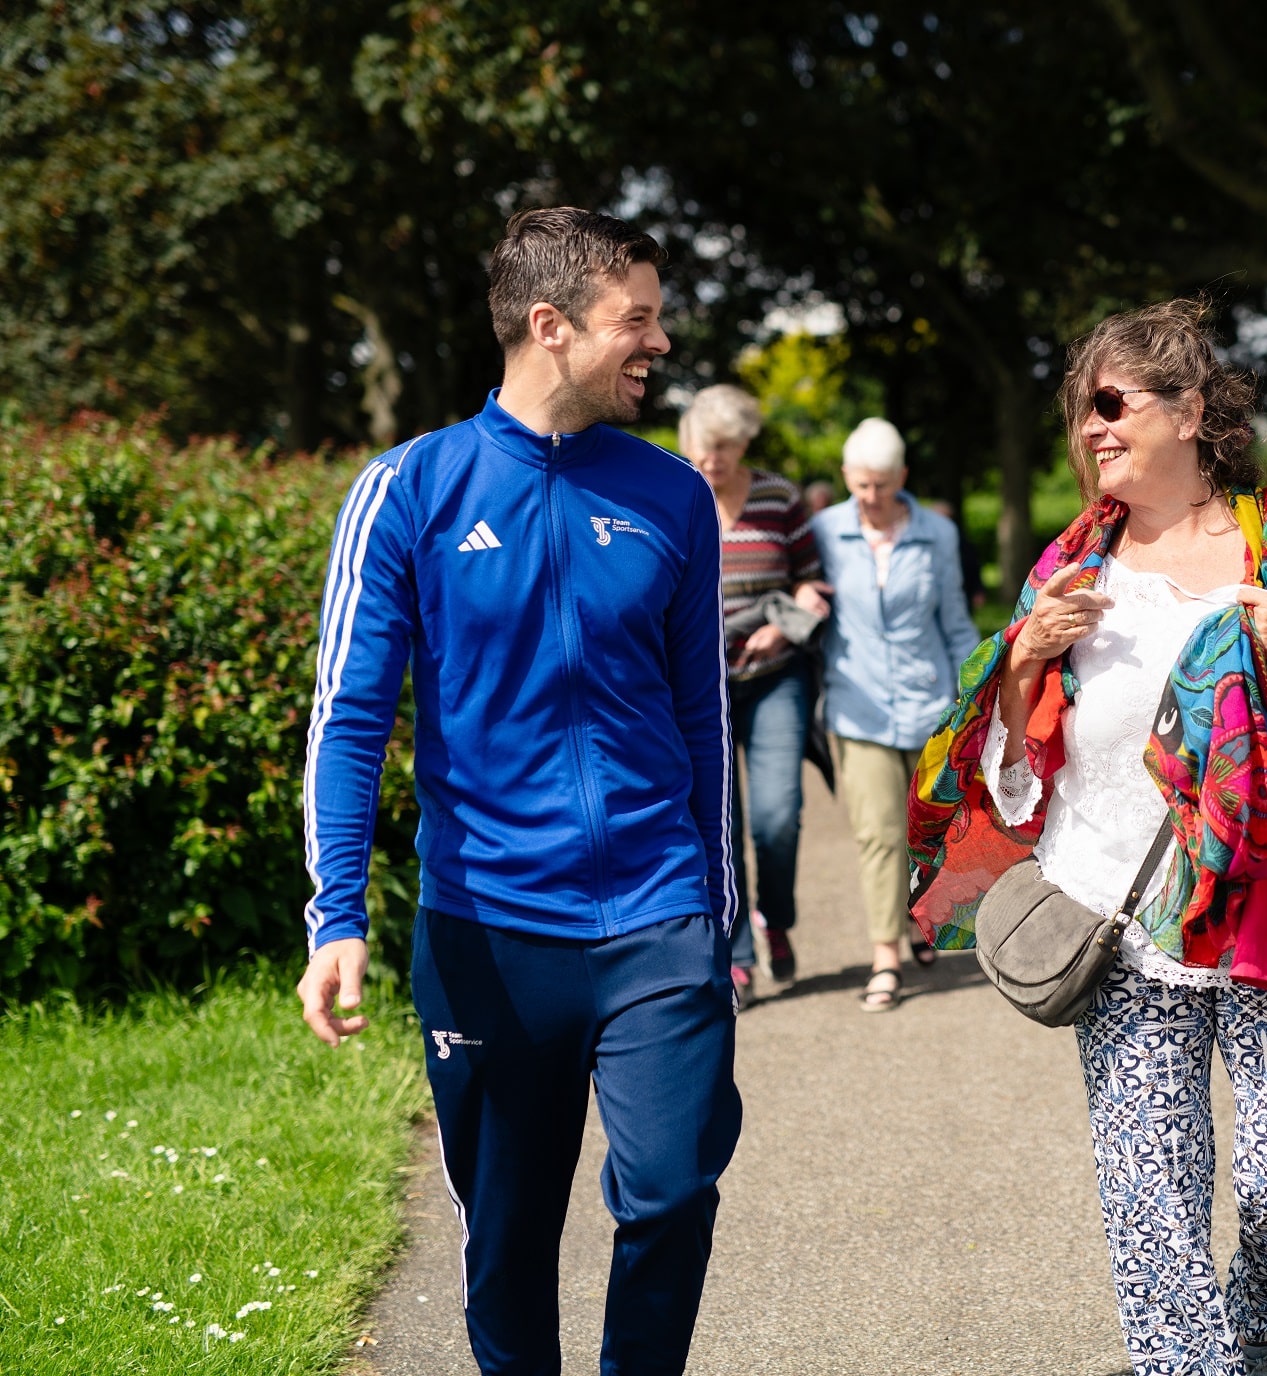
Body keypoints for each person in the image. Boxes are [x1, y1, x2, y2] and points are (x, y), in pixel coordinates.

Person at [906, 300, 1267, 1376]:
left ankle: (1263, 1339)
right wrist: (1025, 663)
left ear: (1192, 409)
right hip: (1118, 922)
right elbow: (1011, 783)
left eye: (1113, 404)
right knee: (1151, 1189)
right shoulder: (1075, 562)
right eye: (1082, 411)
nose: (1093, 429)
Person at [294, 207, 741, 1374]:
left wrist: (720, 915)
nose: (658, 340)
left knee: (671, 1190)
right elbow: (350, 715)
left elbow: (705, 716)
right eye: (635, 319)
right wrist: (337, 913)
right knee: (507, 1241)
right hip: (488, 928)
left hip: (656, 913)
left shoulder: (673, 496)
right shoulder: (409, 491)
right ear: (550, 325)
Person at [809, 418, 978, 1011]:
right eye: (860, 486)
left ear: (902, 477)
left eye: (881, 485)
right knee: (878, 834)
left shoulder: (937, 533)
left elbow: (955, 621)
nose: (871, 498)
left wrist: (973, 701)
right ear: (847, 480)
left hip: (929, 702)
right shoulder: (823, 532)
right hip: (857, 707)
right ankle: (887, 956)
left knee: (927, 830)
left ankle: (917, 918)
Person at [679, 385, 829, 1003]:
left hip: (774, 677)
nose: (710, 460)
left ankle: (777, 918)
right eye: (701, 447)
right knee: (719, 821)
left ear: (743, 445)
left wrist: (782, 627)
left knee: (775, 815)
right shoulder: (673, 493)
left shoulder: (778, 497)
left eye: (723, 448)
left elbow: (814, 586)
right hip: (699, 684)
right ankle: (735, 950)